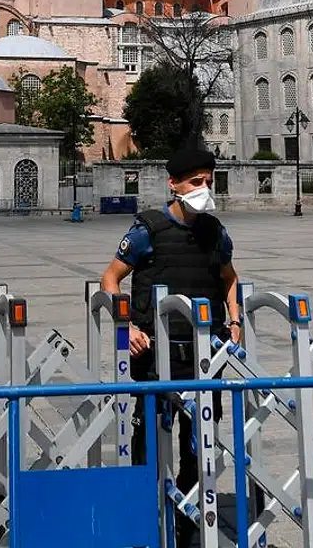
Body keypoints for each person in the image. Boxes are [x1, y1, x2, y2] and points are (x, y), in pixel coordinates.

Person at [99, 146, 241, 547]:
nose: (204, 188)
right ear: (174, 185)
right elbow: (110, 279)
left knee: (198, 448)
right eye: (196, 182)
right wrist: (126, 326)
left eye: (209, 181)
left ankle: (188, 522)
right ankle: (147, 520)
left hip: (203, 359)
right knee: (149, 447)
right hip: (154, 359)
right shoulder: (148, 229)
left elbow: (230, 277)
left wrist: (234, 319)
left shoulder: (215, 231)